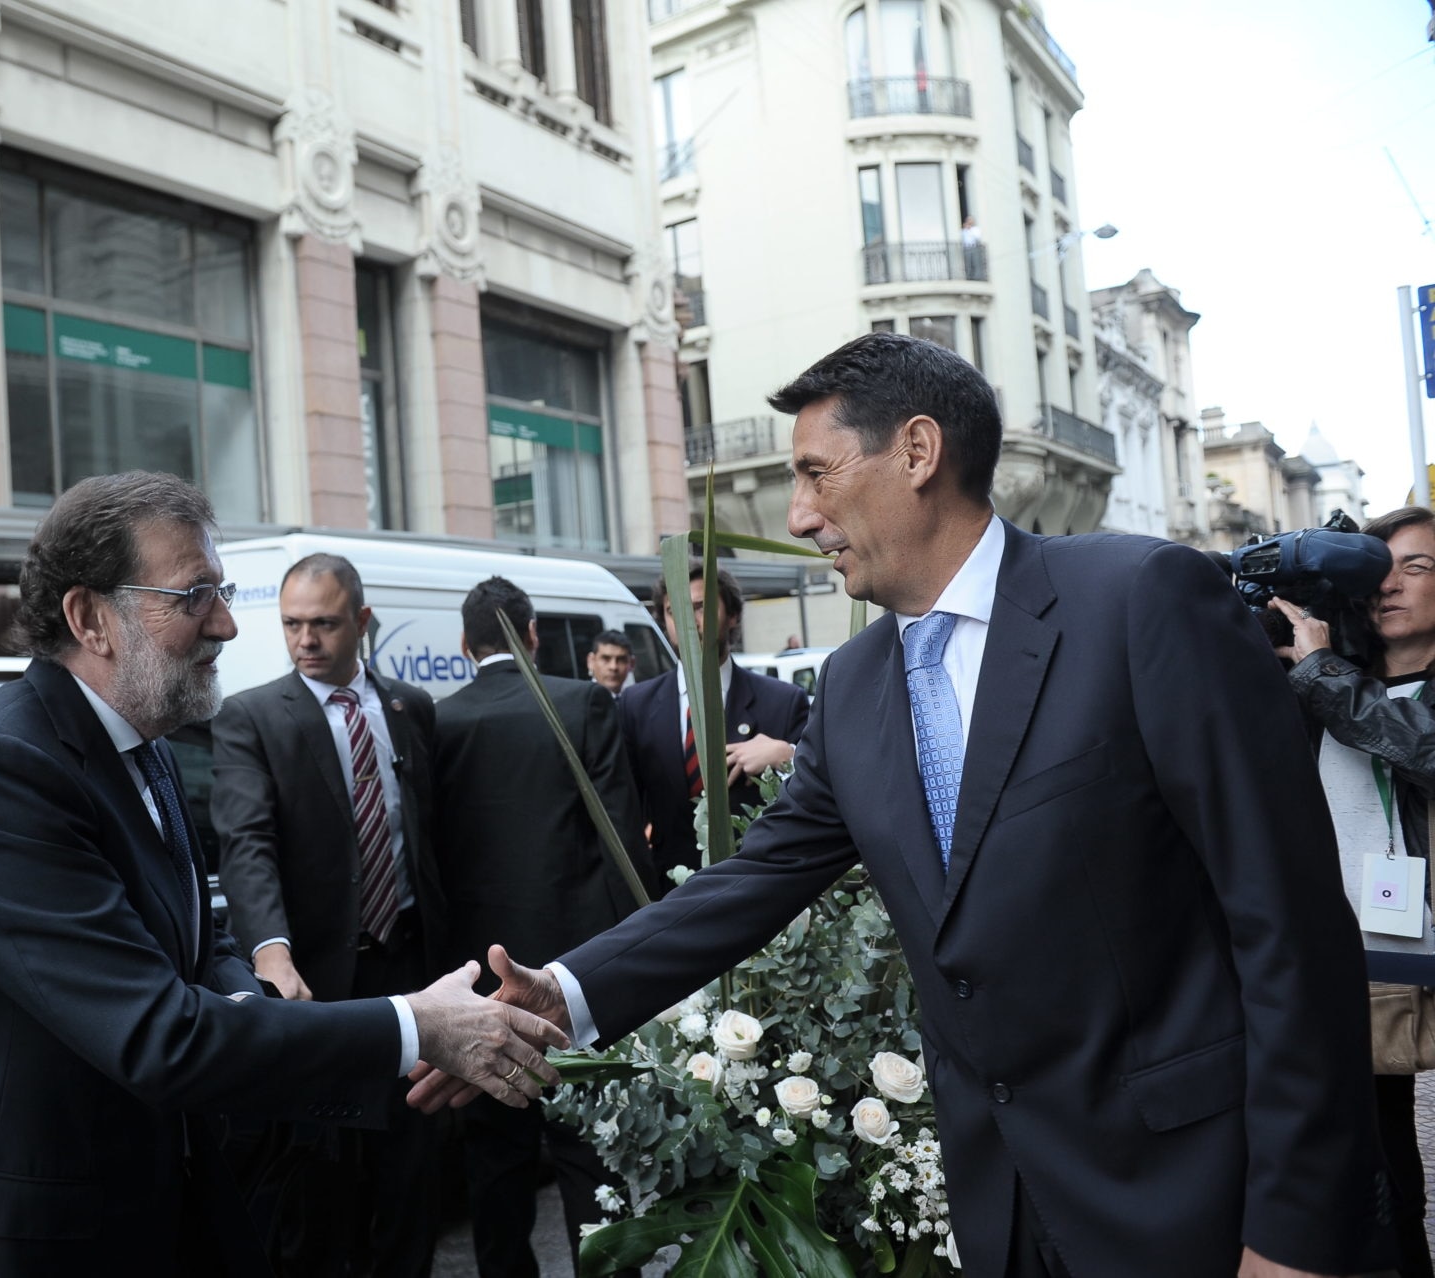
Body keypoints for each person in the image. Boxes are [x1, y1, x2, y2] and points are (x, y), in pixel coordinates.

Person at [414, 334, 1396, 1278]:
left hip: (1194, 1199)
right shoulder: (852, 685)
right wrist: (567, 993)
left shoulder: (1139, 600)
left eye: (815, 472)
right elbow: (756, 878)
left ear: (918, 451)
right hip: (1003, 1207)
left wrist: (1299, 1225)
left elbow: (1290, 926)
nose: (800, 515)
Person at [0, 472, 566, 1278]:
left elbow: (200, 948)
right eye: (194, 595)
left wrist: (294, 1014)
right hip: (21, 1241)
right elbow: (159, 1031)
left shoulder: (145, 744)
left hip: (146, 1211)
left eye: (221, 591)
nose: (227, 624)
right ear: (91, 618)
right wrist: (410, 1025)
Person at [211, 552, 444, 1277]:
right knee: (323, 1195)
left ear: (362, 622)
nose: (305, 639)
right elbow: (246, 843)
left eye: (323, 623)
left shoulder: (411, 709)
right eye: (291, 624)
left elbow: (433, 838)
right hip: (316, 985)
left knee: (412, 1181)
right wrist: (271, 952)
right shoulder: (252, 717)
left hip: (410, 969)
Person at [431, 576, 652, 1278]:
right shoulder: (580, 701)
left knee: (496, 1160)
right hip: (574, 972)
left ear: (465, 645)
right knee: (588, 1157)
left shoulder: (438, 720)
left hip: (481, 983)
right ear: (532, 636)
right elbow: (620, 842)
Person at [1274, 504, 1435, 1278]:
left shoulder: (1329, 681)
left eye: (1417, 567)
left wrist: (1320, 673)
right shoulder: (1322, 677)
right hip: (1361, 953)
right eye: (1377, 568)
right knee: (1384, 1160)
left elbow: (1423, 748)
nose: (1390, 584)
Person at [620, 563, 808, 884]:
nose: (686, 620)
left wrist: (786, 756)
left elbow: (822, 794)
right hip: (667, 892)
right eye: (672, 610)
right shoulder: (636, 705)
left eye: (699, 607)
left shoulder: (783, 702)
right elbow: (625, 810)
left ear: (732, 614)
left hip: (761, 885)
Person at [584, 628, 634, 697]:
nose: (613, 667)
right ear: (591, 661)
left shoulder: (638, 700)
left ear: (631, 663)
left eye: (621, 660)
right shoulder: (580, 701)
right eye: (605, 659)